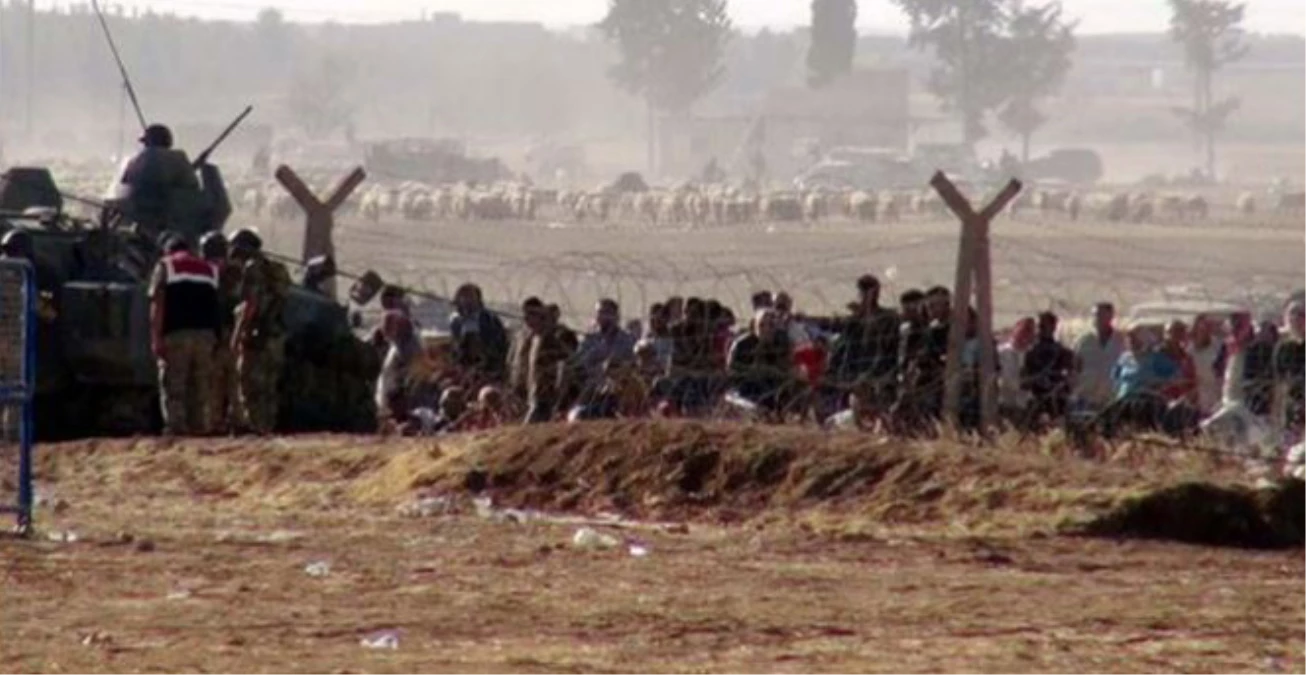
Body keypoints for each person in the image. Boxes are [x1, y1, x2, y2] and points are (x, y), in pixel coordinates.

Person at [148, 234, 220, 436]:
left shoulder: (166, 265)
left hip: (177, 334)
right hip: (206, 336)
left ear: (168, 250)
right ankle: (200, 429)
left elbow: (157, 303)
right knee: (200, 386)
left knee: (174, 385)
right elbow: (215, 305)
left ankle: (177, 431)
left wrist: (156, 337)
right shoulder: (209, 268)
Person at [229, 228, 290, 435]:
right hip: (276, 333)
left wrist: (237, 335)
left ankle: (255, 427)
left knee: (249, 383)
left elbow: (250, 304)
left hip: (257, 333)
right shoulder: (279, 269)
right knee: (269, 385)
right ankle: (267, 426)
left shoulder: (252, 268)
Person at [116, 123, 201, 239]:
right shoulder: (179, 157)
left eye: (146, 143)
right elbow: (192, 186)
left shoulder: (137, 159)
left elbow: (125, 185)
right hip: (172, 219)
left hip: (139, 216)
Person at [201, 231, 241, 435]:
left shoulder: (208, 272)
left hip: (222, 331)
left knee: (218, 379)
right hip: (234, 331)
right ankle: (234, 420)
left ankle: (218, 422)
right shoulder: (237, 272)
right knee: (232, 378)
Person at [727, 308, 797, 420]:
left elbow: (788, 370)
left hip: (772, 390)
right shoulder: (742, 345)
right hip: (745, 390)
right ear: (754, 326)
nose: (767, 329)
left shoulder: (782, 343)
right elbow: (731, 372)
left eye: (771, 325)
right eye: (762, 325)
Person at [1020, 312, 1075, 430]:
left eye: (1044, 327)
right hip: (1038, 400)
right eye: (1040, 327)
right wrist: (1036, 379)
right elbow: (1023, 381)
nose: (1041, 330)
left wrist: (1060, 382)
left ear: (1053, 327)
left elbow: (1071, 378)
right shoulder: (1032, 352)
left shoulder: (1063, 353)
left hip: (1057, 402)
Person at [572, 298, 637, 399]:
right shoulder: (589, 341)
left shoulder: (627, 340)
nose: (602, 316)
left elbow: (634, 363)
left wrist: (617, 367)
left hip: (621, 389)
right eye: (599, 313)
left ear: (616, 316)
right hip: (591, 390)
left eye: (607, 312)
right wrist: (600, 368)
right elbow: (579, 366)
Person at [449, 283, 509, 383]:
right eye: (463, 297)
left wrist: (486, 368)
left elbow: (498, 347)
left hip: (487, 371)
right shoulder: (456, 321)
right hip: (464, 371)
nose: (467, 300)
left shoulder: (489, 320)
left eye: (470, 296)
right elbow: (455, 347)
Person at [1073, 302, 1126, 411]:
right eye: (1095, 315)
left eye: (1101, 315)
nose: (1097, 319)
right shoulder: (1084, 341)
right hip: (1087, 394)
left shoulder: (1121, 341)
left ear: (1110, 316)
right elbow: (1076, 365)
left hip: (1112, 395)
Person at [375, 310, 424, 427]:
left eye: (388, 326)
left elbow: (411, 370)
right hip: (390, 395)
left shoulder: (409, 344)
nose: (384, 330)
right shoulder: (396, 344)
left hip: (401, 397)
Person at [526, 303, 571, 424]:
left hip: (545, 394)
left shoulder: (551, 341)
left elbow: (565, 363)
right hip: (533, 392)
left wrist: (559, 388)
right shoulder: (534, 339)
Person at [998, 317, 1036, 423]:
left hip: (1022, 403)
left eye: (1030, 331)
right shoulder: (1002, 352)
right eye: (1024, 329)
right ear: (1015, 330)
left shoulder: (1031, 355)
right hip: (1003, 400)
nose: (1025, 334)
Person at [1187, 313, 1224, 415]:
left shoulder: (1218, 345)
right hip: (1197, 389)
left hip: (1215, 388)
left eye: (1207, 326)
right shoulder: (1189, 348)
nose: (1203, 329)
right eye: (1200, 327)